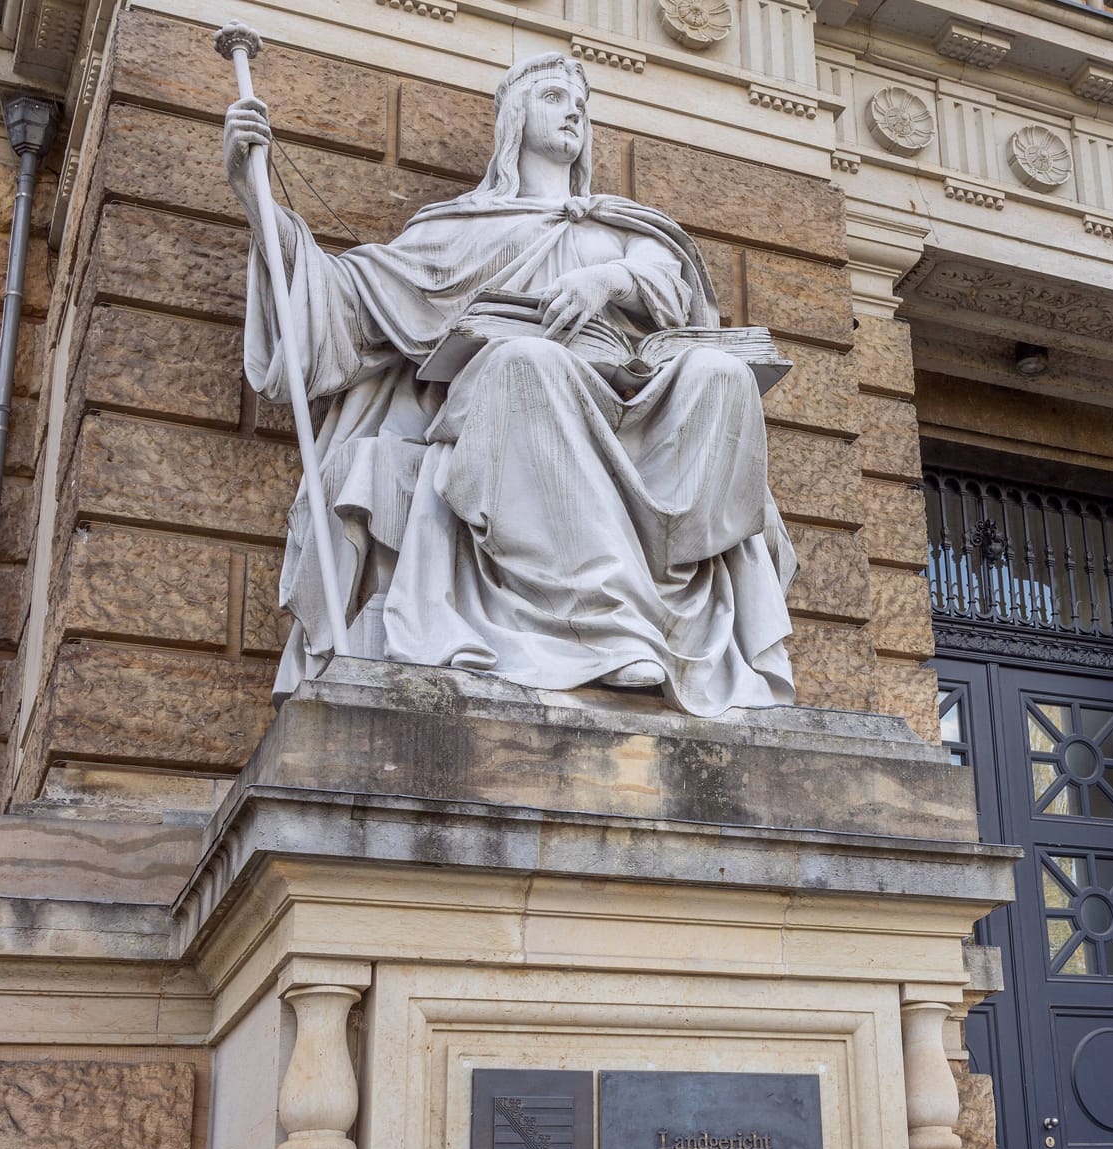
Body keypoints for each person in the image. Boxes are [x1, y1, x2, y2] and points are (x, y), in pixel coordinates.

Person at [222, 52, 797, 717]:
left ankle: (668, 579)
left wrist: (607, 280)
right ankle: (610, 618)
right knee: (530, 361)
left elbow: (668, 276)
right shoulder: (460, 227)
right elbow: (348, 300)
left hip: (631, 391)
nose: (574, 110)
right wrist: (259, 202)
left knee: (722, 375)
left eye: (579, 101)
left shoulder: (619, 226)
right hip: (518, 394)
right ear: (516, 118)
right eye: (555, 96)